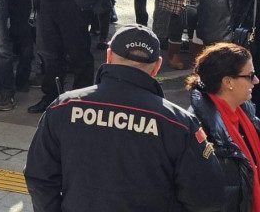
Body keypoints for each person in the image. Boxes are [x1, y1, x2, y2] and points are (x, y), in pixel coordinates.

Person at [25, 24, 225, 212]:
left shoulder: (64, 106)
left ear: (109, 56)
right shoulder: (178, 122)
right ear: (157, 67)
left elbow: (39, 177)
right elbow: (207, 196)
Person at [186, 43, 260, 212]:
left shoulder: (244, 109)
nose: (256, 80)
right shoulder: (199, 130)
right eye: (250, 75)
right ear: (228, 82)